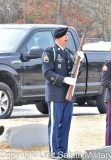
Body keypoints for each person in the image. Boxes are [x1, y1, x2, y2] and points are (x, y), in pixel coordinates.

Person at [41, 26, 84, 159]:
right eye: (64, 35)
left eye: (67, 35)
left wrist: (78, 62)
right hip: (56, 94)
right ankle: (54, 153)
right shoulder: (50, 51)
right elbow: (47, 73)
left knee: (65, 125)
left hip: (68, 95)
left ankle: (63, 153)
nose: (67, 37)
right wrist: (64, 79)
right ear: (57, 37)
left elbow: (76, 73)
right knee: (55, 125)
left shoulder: (69, 53)